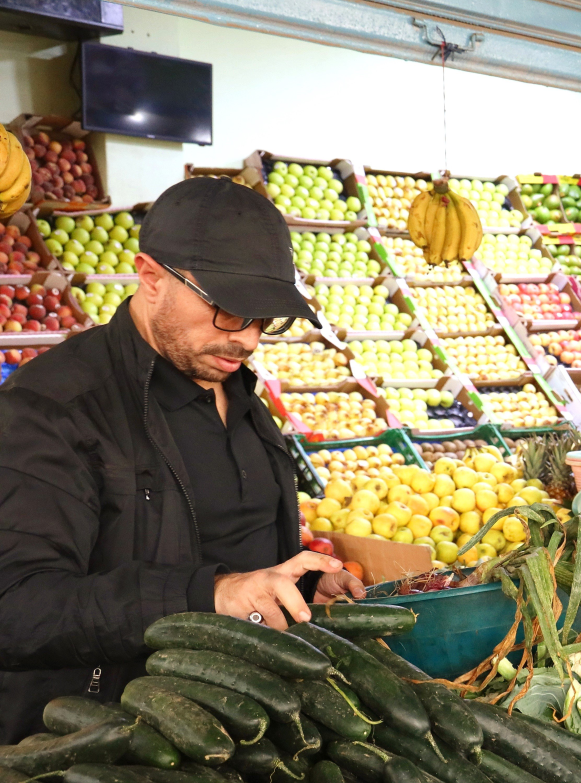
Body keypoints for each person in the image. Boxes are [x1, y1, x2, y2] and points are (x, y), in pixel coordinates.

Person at [0, 178, 364, 742]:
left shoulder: (241, 394)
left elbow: (235, 546)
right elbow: (18, 610)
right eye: (226, 310)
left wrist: (291, 585)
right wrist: (210, 596)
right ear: (149, 277)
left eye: (264, 320)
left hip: (242, 731)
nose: (247, 340)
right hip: (106, 750)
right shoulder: (54, 405)